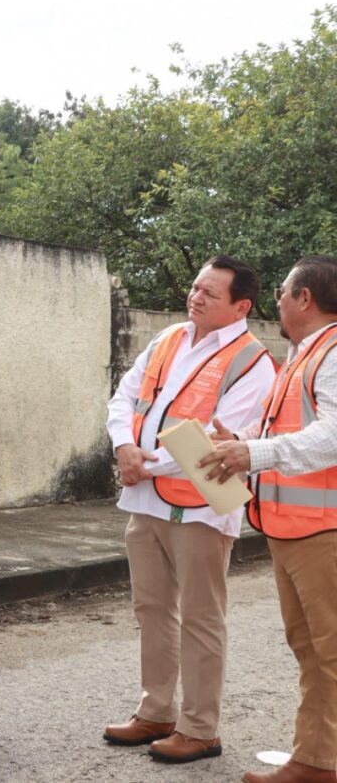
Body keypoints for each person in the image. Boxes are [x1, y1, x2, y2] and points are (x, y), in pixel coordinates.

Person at [103, 255, 275, 764]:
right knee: (152, 609)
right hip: (146, 499)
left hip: (201, 507)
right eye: (196, 287)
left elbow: (219, 448)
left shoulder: (252, 362)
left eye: (209, 293)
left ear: (240, 306)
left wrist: (142, 465)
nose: (195, 297)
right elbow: (124, 397)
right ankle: (156, 711)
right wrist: (122, 448)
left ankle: (200, 728)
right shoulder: (170, 338)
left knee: (201, 617)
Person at [202, 256, 337, 783]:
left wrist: (253, 455)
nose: (276, 300)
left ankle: (315, 763)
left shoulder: (330, 352)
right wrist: (241, 446)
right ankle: (317, 759)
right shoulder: (305, 354)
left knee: (326, 652)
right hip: (294, 528)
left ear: (305, 299)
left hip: (321, 532)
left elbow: (332, 436)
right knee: (312, 649)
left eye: (283, 291)